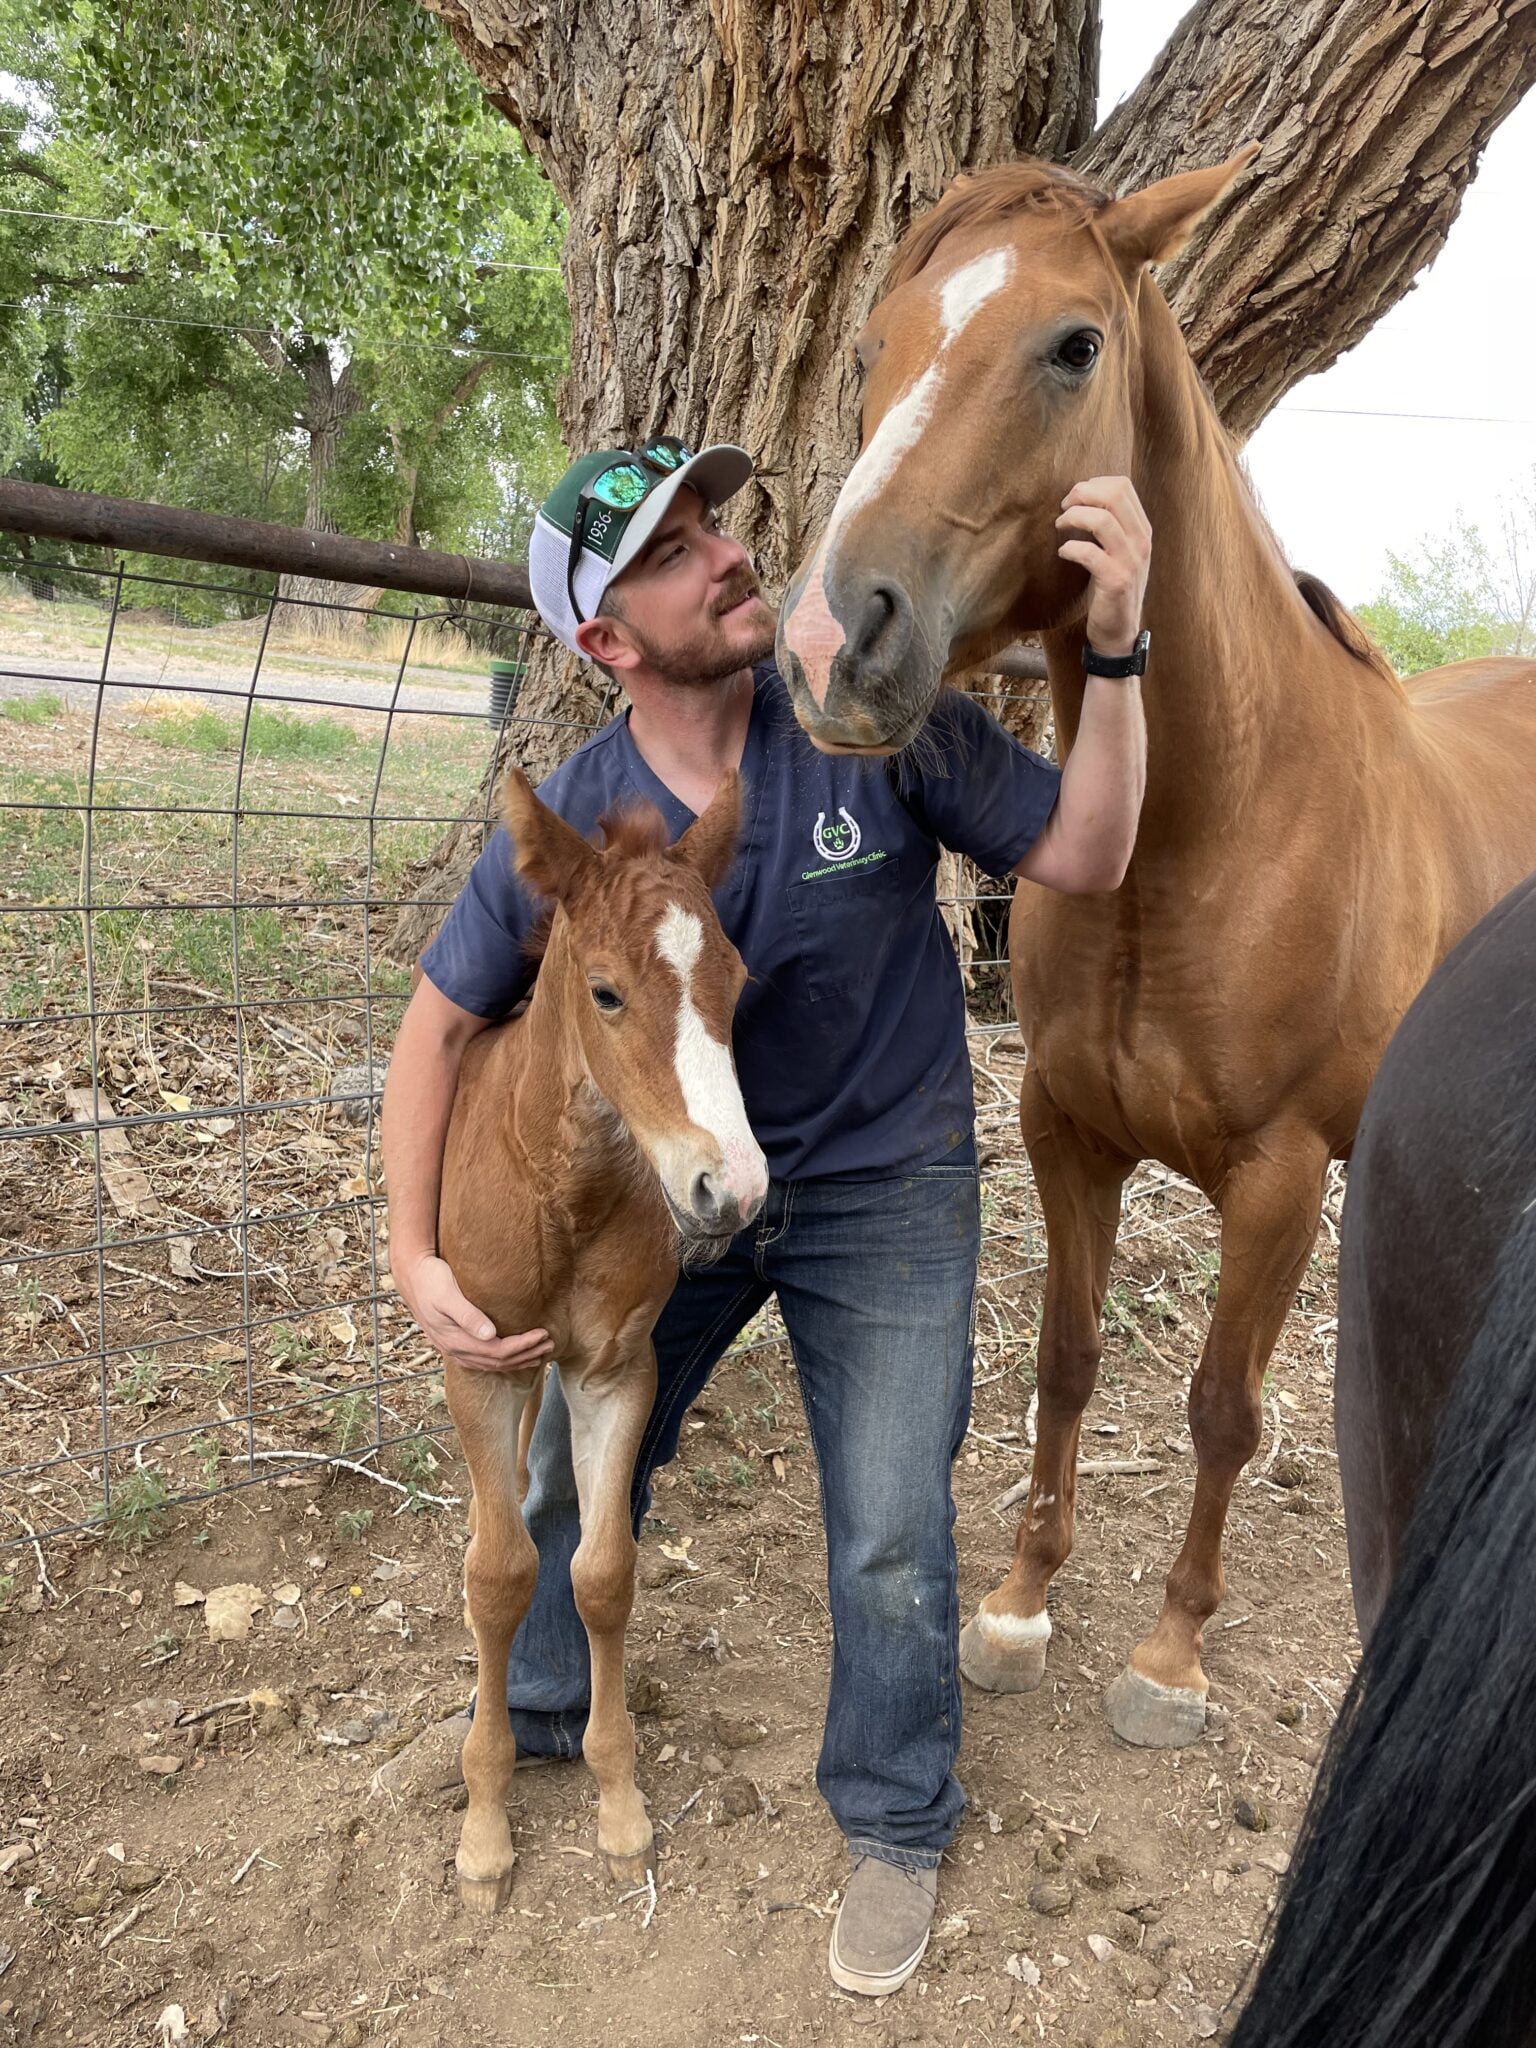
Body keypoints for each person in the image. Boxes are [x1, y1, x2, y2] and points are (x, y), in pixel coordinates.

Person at [378, 432, 1151, 1997]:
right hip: (666, 1201)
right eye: (669, 555)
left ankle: (892, 1816)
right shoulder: (581, 827)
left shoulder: (874, 720)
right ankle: (534, 1716)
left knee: (885, 1530)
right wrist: (411, 1251)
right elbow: (437, 1028)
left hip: (881, 1178)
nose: (727, 556)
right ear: (603, 639)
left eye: (717, 528)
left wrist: (1120, 647)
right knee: (557, 1473)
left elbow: (1090, 847)